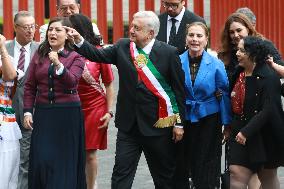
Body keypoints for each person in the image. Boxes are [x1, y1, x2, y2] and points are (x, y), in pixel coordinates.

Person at [66, 10, 186, 189]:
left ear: (150, 33)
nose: (131, 30)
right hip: (128, 127)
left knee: (163, 177)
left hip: (157, 126)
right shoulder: (123, 46)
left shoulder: (169, 53)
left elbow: (178, 90)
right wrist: (78, 40)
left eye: (136, 28)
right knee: (120, 177)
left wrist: (179, 123)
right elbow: (97, 55)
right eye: (131, 26)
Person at [23, 17, 86, 189]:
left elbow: (72, 82)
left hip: (67, 115)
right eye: (51, 29)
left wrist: (58, 64)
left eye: (58, 30)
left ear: (67, 34)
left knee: (64, 161)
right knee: (42, 159)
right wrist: (28, 111)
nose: (52, 33)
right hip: (44, 114)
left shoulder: (76, 56)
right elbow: (29, 86)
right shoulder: (39, 54)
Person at [179, 22, 231, 188]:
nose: (195, 39)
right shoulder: (176, 61)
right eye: (191, 35)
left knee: (207, 162)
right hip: (183, 118)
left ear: (206, 39)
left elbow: (223, 95)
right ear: (186, 39)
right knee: (184, 160)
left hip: (209, 118)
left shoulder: (216, 64)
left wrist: (227, 124)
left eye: (199, 36)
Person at [228, 36, 284, 189]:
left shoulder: (269, 77)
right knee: (236, 172)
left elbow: (269, 109)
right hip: (239, 130)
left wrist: (246, 132)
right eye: (237, 49)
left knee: (266, 177)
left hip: (264, 133)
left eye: (242, 50)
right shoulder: (238, 73)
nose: (237, 53)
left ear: (253, 54)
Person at [69, 13, 115, 189]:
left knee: (90, 154)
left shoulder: (97, 51)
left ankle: (90, 186)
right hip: (69, 106)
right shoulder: (63, 51)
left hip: (95, 107)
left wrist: (108, 112)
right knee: (71, 151)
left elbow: (109, 84)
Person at [5, 11, 39, 189]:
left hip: (31, 111)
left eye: (33, 26)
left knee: (26, 156)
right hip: (6, 111)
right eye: (26, 27)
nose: (30, 30)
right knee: (7, 156)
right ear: (15, 28)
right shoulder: (5, 49)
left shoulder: (41, 50)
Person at [218, 13, 263, 90]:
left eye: (239, 30)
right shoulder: (225, 53)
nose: (235, 35)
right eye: (232, 32)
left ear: (248, 29)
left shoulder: (262, 47)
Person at [0, 34, 22, 189]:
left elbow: (10, 76)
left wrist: (2, 48)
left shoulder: (8, 60)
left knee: (6, 174)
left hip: (5, 125)